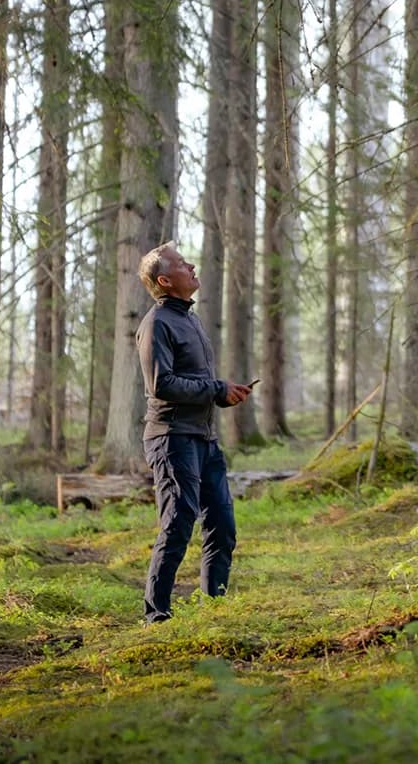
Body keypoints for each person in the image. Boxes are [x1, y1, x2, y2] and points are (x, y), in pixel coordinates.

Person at [135, 241, 253, 623]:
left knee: (222, 524)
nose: (192, 266)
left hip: (203, 437)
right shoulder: (156, 323)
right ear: (165, 280)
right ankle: (157, 616)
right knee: (177, 524)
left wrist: (224, 394)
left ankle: (213, 609)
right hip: (171, 438)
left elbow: (194, 382)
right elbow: (162, 385)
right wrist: (216, 389)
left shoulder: (190, 319)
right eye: (183, 264)